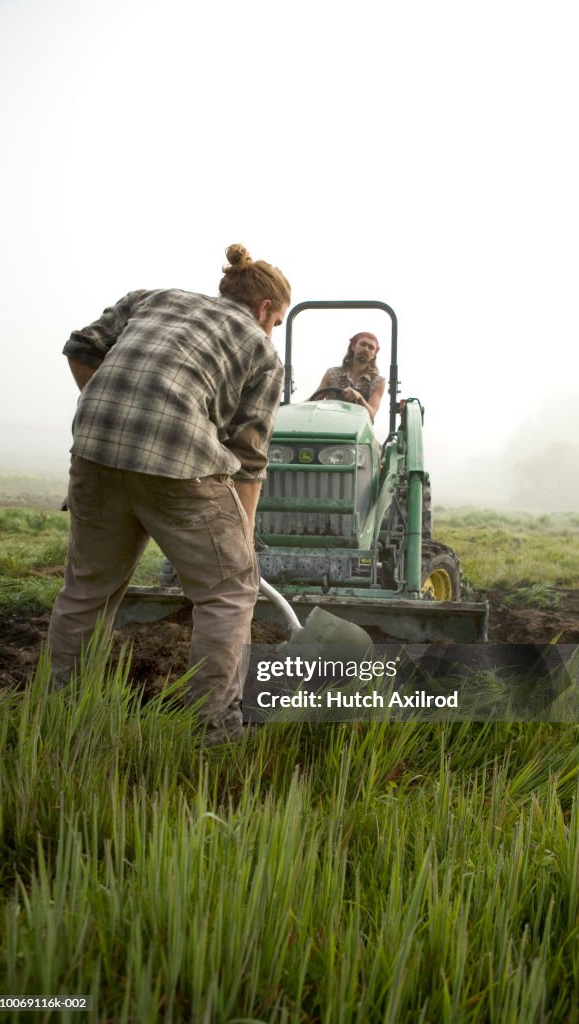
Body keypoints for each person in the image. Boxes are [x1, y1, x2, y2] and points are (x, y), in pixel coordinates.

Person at [48, 243, 290, 744]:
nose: (273, 330)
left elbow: (81, 348)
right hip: (182, 464)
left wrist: (117, 417)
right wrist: (242, 540)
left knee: (87, 588)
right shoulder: (261, 348)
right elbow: (247, 458)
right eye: (278, 320)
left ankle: (64, 715)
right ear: (265, 309)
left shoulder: (152, 298)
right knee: (227, 593)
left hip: (93, 450)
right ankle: (213, 731)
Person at [314, 331, 386, 420]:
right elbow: (313, 401)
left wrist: (360, 398)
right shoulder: (332, 373)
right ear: (353, 347)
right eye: (363, 344)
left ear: (374, 355)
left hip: (358, 428)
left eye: (371, 348)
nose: (366, 349)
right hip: (329, 422)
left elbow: (371, 415)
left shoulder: (378, 381)